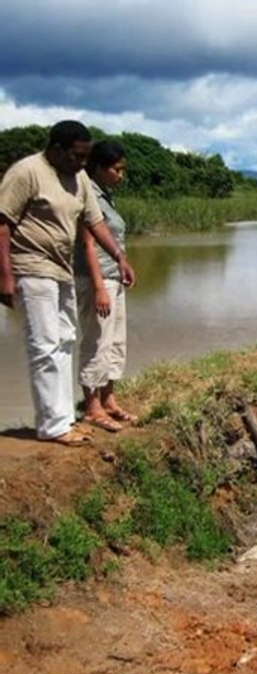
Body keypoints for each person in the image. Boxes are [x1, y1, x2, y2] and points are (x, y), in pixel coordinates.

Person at [0, 120, 135, 446]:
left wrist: (119, 256)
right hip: (31, 266)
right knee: (45, 345)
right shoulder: (27, 172)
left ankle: (63, 418)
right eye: (77, 156)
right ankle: (53, 425)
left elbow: (95, 222)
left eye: (86, 157)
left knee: (65, 341)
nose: (82, 163)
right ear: (58, 150)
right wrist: (5, 276)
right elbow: (3, 225)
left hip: (62, 269)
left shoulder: (79, 178)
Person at [75, 140, 137, 432]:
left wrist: (122, 263)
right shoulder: (87, 193)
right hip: (95, 278)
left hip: (113, 276)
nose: (120, 175)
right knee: (97, 340)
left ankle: (109, 399)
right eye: (116, 169)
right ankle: (92, 406)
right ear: (98, 167)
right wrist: (99, 286)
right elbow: (87, 244)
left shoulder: (105, 195)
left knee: (115, 340)